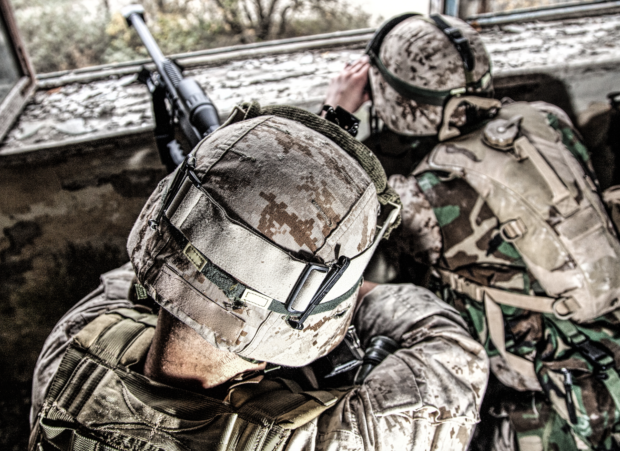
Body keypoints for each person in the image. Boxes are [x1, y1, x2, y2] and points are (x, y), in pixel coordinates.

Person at [29, 104, 489, 450]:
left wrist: (234, 190)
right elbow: (450, 349)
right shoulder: (352, 439)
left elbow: (147, 269)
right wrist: (351, 295)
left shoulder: (68, 354)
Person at [323, 12, 620, 451]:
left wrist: (335, 115)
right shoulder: (547, 119)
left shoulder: (420, 197)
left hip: (533, 395)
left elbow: (323, 220)